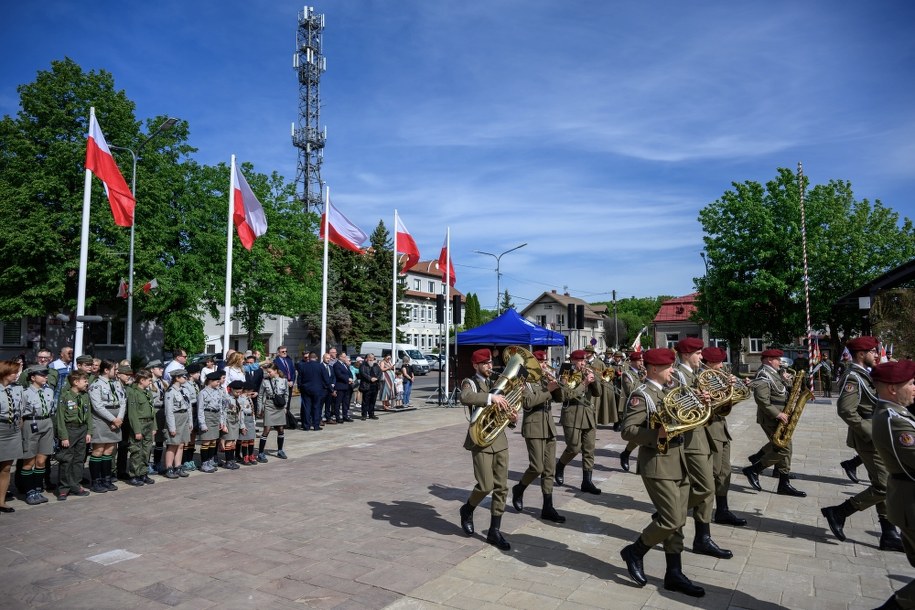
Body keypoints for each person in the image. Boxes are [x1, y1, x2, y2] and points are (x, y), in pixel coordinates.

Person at [619, 347, 705, 597]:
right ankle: (635, 551)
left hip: (679, 460)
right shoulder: (641, 395)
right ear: (654, 369)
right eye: (668, 367)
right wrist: (656, 434)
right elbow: (628, 430)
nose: (672, 371)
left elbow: (687, 421)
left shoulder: (672, 391)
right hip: (657, 464)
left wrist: (700, 404)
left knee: (678, 523)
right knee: (672, 519)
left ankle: (674, 573)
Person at [821, 336, 903, 551]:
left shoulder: (864, 375)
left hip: (878, 434)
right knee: (884, 486)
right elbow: (846, 409)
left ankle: (889, 534)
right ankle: (839, 512)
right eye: (873, 352)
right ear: (861, 354)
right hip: (869, 438)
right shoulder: (853, 378)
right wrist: (872, 432)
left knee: (884, 482)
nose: (877, 355)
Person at [670, 338, 730, 559]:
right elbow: (676, 407)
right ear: (686, 355)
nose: (701, 357)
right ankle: (670, 514)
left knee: (708, 488)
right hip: (690, 439)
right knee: (705, 487)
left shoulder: (695, 375)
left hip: (703, 436)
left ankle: (702, 537)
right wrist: (700, 400)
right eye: (697, 353)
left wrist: (721, 393)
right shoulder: (677, 376)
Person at [458, 348, 515, 550]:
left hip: (499, 440)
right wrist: (491, 398)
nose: (489, 366)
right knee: (485, 485)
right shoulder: (470, 382)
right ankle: (467, 509)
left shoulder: (496, 383)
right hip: (480, 440)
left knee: (502, 487)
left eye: (490, 362)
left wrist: (511, 417)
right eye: (485, 364)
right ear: (476, 366)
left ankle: (494, 531)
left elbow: (502, 412)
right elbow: (465, 397)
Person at [870, 359, 915, 610]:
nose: (914, 387)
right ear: (892, 389)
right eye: (910, 383)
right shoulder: (893, 420)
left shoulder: (899, 415)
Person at [742, 349, 806, 497]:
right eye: (778, 359)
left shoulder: (774, 373)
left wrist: (786, 381)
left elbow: (781, 391)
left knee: (783, 447)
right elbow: (762, 400)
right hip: (772, 418)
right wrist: (777, 414)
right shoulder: (764, 374)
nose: (780, 362)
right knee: (784, 448)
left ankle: (783, 481)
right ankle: (754, 469)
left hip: (781, 414)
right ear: (769, 360)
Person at [510, 350, 565, 523]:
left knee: (549, 469)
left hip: (548, 426)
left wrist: (558, 385)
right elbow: (527, 403)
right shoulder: (522, 379)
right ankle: (519, 488)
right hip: (533, 427)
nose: (544, 365)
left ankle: (547, 507)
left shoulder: (544, 378)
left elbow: (560, 398)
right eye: (541, 362)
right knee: (537, 467)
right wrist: (548, 390)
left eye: (545, 361)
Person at [701, 347, 748, 527]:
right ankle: (677, 509)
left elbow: (726, 404)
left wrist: (733, 388)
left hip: (721, 428)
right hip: (710, 429)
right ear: (711, 363)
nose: (722, 366)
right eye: (719, 362)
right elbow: (710, 404)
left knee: (724, 472)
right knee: (711, 473)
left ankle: (722, 510)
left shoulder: (716, 376)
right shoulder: (704, 378)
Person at [554, 349, 603, 494]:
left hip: (588, 414)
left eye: (584, 360)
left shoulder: (586, 371)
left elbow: (598, 393)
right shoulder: (565, 372)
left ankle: (587, 481)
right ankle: (560, 465)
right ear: (573, 360)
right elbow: (566, 395)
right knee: (574, 448)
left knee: (589, 449)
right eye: (580, 360)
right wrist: (583, 383)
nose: (583, 363)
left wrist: (593, 380)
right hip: (572, 414)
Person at [88, 360, 126, 493]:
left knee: (109, 450)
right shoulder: (96, 385)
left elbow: (123, 401)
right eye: (114, 369)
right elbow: (97, 406)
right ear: (106, 370)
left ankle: (106, 479)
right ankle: (96, 481)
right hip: (102, 420)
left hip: (116, 420)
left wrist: (119, 418)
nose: (116, 372)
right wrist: (113, 419)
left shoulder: (116, 384)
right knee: (98, 450)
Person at [54, 369, 93, 500]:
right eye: (85, 381)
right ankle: (64, 488)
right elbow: (60, 418)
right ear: (76, 382)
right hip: (70, 430)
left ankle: (75, 484)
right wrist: (63, 436)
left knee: (79, 459)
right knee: (66, 459)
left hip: (82, 430)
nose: (87, 383)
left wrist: (89, 432)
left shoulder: (85, 396)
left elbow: (89, 416)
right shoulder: (65, 396)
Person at [20, 366, 56, 505]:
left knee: (41, 460)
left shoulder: (49, 391)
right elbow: (21, 414)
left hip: (46, 422)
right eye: (42, 375)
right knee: (28, 460)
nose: (45, 377)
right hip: (31, 423)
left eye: (46, 375)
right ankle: (29, 491)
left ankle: (37, 489)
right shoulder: (25, 393)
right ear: (33, 377)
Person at [125, 369, 156, 487]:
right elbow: (132, 414)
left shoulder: (148, 393)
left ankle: (143, 472)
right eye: (149, 380)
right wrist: (137, 430)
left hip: (149, 423)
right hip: (139, 423)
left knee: (146, 450)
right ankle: (134, 474)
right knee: (136, 451)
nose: (150, 382)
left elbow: (153, 411)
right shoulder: (134, 393)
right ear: (142, 380)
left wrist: (154, 426)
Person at [0, 360, 23, 512]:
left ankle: (1, 501)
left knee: (7, 467)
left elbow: (21, 408)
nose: (16, 375)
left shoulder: (16, 389)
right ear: (5, 373)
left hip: (12, 429)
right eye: (14, 372)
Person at [162, 368, 192, 479]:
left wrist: (190, 423)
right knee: (172, 444)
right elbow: (168, 411)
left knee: (181, 444)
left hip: (184, 417)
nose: (186, 378)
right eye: (183, 376)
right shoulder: (170, 392)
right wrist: (171, 427)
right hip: (176, 418)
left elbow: (188, 407)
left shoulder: (184, 390)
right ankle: (169, 467)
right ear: (177, 378)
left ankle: (178, 466)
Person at [618, 351, 645, 472]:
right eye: (639, 361)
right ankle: (626, 453)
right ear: (633, 362)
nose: (642, 363)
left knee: (643, 435)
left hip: (646, 407)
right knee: (637, 434)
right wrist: (644, 380)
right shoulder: (627, 374)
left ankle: (637, 464)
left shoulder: (643, 373)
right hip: (634, 408)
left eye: (642, 360)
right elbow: (631, 390)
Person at [258, 363, 289, 462]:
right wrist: (260, 409)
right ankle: (261, 452)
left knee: (280, 429)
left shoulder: (283, 381)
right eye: (267, 372)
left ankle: (280, 450)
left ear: (275, 371)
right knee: (266, 429)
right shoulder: (265, 381)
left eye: (270, 372)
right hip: (269, 405)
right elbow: (260, 395)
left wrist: (285, 407)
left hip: (279, 406)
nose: (268, 374)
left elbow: (286, 394)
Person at [197, 370, 226, 473]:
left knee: (213, 441)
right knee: (206, 441)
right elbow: (200, 409)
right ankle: (204, 463)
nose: (218, 383)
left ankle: (210, 460)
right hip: (207, 416)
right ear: (210, 381)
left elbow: (221, 407)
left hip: (216, 416)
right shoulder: (203, 393)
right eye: (217, 382)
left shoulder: (218, 391)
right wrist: (202, 424)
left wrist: (221, 421)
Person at [221, 380, 247, 469]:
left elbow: (241, 413)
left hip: (236, 421)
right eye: (236, 392)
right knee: (228, 441)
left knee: (233, 442)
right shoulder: (227, 398)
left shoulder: (240, 399)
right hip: (228, 421)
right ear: (231, 390)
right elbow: (223, 412)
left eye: (240, 392)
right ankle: (228, 461)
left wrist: (242, 426)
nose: (238, 394)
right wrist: (223, 425)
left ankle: (232, 460)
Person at [359, 354, 381, 421]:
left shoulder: (376, 365)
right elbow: (363, 373)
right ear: (367, 358)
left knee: (373, 401)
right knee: (365, 401)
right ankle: (364, 415)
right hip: (367, 385)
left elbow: (380, 373)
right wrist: (370, 378)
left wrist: (376, 378)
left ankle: (371, 414)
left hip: (375, 385)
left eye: (372, 358)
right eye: (370, 358)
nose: (371, 359)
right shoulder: (363, 365)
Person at [332, 354, 354, 423]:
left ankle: (345, 416)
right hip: (340, 386)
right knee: (338, 403)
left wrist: (351, 379)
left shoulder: (345, 365)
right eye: (344, 357)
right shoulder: (337, 365)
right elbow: (339, 375)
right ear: (340, 357)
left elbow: (349, 373)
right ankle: (337, 417)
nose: (345, 358)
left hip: (347, 386)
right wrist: (347, 379)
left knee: (346, 402)